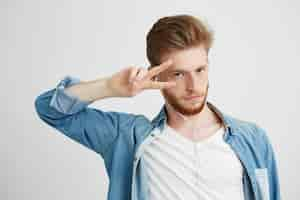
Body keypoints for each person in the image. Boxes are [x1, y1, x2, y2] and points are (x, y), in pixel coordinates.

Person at [34, 14, 281, 200]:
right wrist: (109, 87)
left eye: (200, 70)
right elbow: (50, 110)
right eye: (178, 74)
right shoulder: (127, 137)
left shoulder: (253, 139)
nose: (194, 86)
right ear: (157, 75)